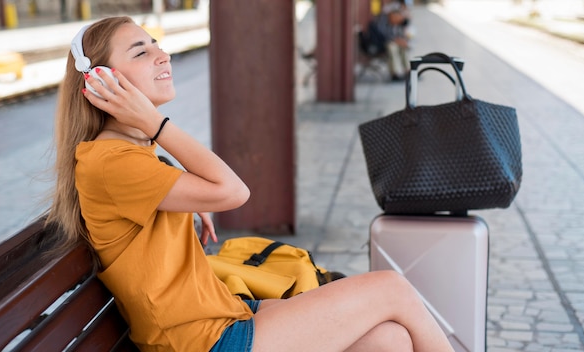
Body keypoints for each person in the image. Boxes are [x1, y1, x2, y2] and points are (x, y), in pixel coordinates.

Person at [46, 16, 453, 352]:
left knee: (389, 339)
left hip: (220, 317)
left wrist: (184, 193)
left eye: (156, 44)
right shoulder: (111, 161)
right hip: (204, 340)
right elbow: (234, 192)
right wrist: (155, 123)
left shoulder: (127, 152)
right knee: (391, 288)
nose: (162, 55)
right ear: (100, 82)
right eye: (141, 51)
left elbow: (198, 189)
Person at [368, 3, 411, 81]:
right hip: (381, 44)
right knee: (392, 47)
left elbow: (401, 36)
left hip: (393, 42)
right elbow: (383, 37)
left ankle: (407, 71)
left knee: (402, 47)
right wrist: (396, 40)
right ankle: (395, 73)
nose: (398, 21)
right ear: (392, 15)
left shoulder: (398, 24)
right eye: (397, 18)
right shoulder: (383, 22)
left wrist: (402, 41)